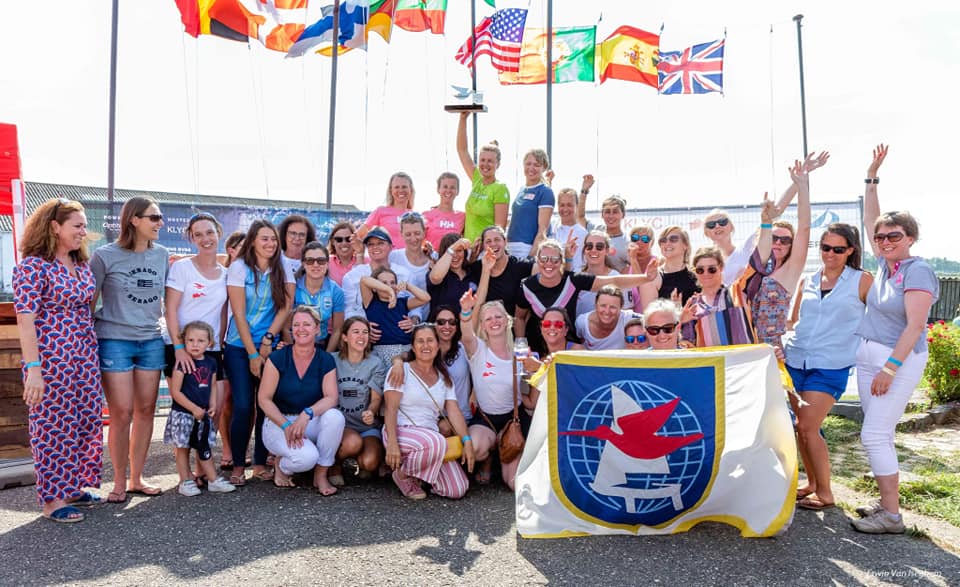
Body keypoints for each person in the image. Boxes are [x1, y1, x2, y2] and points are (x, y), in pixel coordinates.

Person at [851, 144, 939, 534]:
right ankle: (886, 504)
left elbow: (915, 326)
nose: (886, 240)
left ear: (911, 238)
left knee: (873, 434)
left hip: (895, 361)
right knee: (879, 432)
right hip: (870, 357)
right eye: (882, 237)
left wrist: (889, 368)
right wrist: (871, 178)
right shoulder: (888, 265)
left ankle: (892, 517)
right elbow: (872, 218)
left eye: (895, 236)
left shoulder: (917, 271)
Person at [13, 198, 103, 522]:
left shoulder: (80, 265)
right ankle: (53, 499)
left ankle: (73, 486)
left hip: (84, 355)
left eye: (84, 226)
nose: (83, 232)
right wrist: (33, 369)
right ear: (54, 227)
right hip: (51, 358)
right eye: (77, 226)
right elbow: (25, 319)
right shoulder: (33, 267)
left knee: (86, 419)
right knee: (53, 426)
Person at [784, 223, 872, 511]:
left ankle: (825, 493)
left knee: (808, 427)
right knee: (801, 428)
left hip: (831, 365)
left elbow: (880, 319)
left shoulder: (862, 281)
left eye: (838, 249)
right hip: (796, 361)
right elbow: (793, 320)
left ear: (851, 250)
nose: (830, 254)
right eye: (825, 248)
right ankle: (811, 484)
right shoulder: (808, 280)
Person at [91, 196, 169, 503]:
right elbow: (89, 301)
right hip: (114, 339)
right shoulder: (104, 255)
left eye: (160, 217)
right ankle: (119, 481)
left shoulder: (162, 254)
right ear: (134, 220)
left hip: (150, 339)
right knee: (121, 413)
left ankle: (137, 478)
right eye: (154, 217)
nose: (160, 222)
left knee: (146, 411)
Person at [223, 219, 295, 486]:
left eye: (273, 239)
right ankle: (238, 465)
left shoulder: (282, 265)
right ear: (252, 240)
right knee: (243, 405)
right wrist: (253, 354)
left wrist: (268, 340)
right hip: (239, 346)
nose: (270, 244)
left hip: (269, 346)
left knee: (266, 405)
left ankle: (260, 463)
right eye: (264, 238)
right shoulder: (239, 267)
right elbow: (239, 313)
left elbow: (286, 306)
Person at [703, 151, 829, 285]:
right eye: (711, 224)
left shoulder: (748, 247)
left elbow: (776, 212)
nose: (717, 226)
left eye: (722, 222)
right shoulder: (704, 261)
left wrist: (800, 177)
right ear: (706, 232)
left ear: (731, 227)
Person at [516, 240, 657, 356]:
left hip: (567, 349)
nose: (549, 263)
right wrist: (520, 343)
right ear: (537, 260)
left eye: (554, 259)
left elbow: (613, 281)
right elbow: (520, 317)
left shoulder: (573, 280)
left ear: (561, 262)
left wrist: (646, 278)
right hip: (537, 348)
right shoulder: (527, 286)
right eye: (544, 259)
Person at [258, 306, 345, 495]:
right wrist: (286, 425)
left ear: (317, 329)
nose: (301, 329)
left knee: (335, 417)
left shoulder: (325, 359)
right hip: (279, 422)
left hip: (308, 421)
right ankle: (282, 466)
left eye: (307, 324)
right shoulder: (277, 358)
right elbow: (264, 399)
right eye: (296, 325)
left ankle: (321, 475)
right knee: (306, 459)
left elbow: (331, 397)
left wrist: (307, 414)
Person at [383, 323, 475, 499]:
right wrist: (392, 443)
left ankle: (422, 475)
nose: (426, 345)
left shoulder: (444, 377)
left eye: (430, 340)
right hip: (401, 432)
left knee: (457, 489)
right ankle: (403, 475)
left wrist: (467, 441)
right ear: (413, 347)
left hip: (431, 441)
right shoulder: (401, 371)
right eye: (420, 341)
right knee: (437, 442)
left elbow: (454, 412)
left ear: (438, 345)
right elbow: (390, 409)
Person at [457, 290, 528, 488]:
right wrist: (466, 311)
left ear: (507, 321)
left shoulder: (520, 353)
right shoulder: (478, 349)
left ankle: (502, 449)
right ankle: (488, 458)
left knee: (513, 484)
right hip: (486, 419)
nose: (494, 321)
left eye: (498, 317)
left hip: (512, 421)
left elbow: (526, 392)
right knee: (476, 448)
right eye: (488, 319)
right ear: (482, 325)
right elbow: (466, 335)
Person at [742, 161, 813, 349]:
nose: (778, 243)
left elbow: (804, 227)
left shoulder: (791, 271)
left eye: (785, 240)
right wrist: (794, 184)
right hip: (743, 345)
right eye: (774, 238)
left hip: (771, 350)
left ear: (791, 245)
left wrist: (802, 185)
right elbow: (771, 217)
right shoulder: (755, 268)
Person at [163, 321, 236, 496]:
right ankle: (185, 481)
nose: (195, 344)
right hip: (183, 414)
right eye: (191, 340)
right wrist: (193, 408)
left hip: (202, 414)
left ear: (209, 343)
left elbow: (212, 385)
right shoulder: (181, 363)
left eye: (200, 341)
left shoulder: (211, 362)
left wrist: (212, 404)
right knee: (182, 448)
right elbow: (176, 392)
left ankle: (212, 479)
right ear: (184, 341)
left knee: (204, 446)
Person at [332, 317, 386, 484]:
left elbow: (376, 398)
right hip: (342, 426)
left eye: (365, 332)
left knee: (370, 463)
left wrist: (371, 411)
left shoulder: (375, 363)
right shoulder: (332, 360)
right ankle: (334, 464)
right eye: (356, 332)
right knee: (352, 443)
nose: (361, 336)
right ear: (345, 337)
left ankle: (360, 461)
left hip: (366, 426)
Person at [455, 111, 509, 242]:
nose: (485, 164)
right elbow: (462, 150)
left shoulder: (500, 188)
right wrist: (463, 118)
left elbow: (499, 229)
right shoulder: (477, 180)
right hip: (468, 247)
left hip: (485, 248)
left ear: (498, 164)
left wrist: (483, 245)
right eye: (482, 160)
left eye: (490, 161)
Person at [361, 268, 430, 365]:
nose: (389, 285)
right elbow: (364, 280)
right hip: (382, 352)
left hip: (406, 351)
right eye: (384, 283)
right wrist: (389, 290)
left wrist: (408, 286)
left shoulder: (402, 302)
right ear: (375, 288)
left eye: (392, 282)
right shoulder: (371, 302)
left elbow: (426, 298)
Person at [341, 226, 412, 319]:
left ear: (391, 247)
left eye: (380, 243)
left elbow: (415, 306)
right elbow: (349, 309)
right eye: (370, 244)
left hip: (397, 325)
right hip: (363, 326)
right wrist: (363, 323)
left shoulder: (405, 274)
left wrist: (413, 320)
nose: (375, 247)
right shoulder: (352, 276)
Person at [218, 230, 245, 471]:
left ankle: (242, 449)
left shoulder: (253, 276)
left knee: (246, 402)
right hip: (224, 343)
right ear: (231, 250)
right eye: (243, 248)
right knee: (226, 400)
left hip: (242, 343)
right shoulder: (222, 275)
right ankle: (227, 448)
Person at [465, 225, 535, 316]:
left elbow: (541, 269)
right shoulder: (476, 269)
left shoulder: (520, 266)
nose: (493, 244)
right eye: (488, 241)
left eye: (497, 239)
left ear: (505, 242)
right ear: (483, 246)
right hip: (486, 322)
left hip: (512, 322)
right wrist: (481, 265)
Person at [678, 247, 737, 346]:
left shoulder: (736, 295)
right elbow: (687, 344)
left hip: (739, 355)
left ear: (721, 267)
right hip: (707, 356)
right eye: (700, 270)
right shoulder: (692, 305)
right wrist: (680, 322)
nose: (706, 274)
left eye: (711, 269)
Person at [292, 241, 344, 352]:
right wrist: (291, 351)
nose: (315, 265)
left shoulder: (335, 291)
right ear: (303, 264)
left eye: (321, 261)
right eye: (310, 261)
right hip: (295, 344)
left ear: (327, 264)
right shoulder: (293, 287)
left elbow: (337, 330)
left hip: (322, 345)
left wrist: (327, 356)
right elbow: (285, 327)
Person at [576, 231, 640, 318]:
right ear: (584, 250)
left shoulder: (618, 278)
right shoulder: (575, 275)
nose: (593, 250)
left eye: (599, 247)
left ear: (607, 251)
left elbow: (627, 313)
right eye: (589, 246)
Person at [506, 148, 555, 257]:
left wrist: (530, 258)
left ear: (544, 168)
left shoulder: (545, 191)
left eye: (536, 165)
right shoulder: (522, 190)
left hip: (526, 249)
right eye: (528, 164)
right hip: (510, 249)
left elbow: (542, 231)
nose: (531, 168)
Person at [575, 180, 631, 273]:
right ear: (602, 214)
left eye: (615, 212)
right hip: (591, 280)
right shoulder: (596, 231)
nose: (611, 216)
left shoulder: (627, 242)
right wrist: (584, 191)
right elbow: (580, 217)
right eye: (607, 212)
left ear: (623, 214)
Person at [639, 226, 700, 310]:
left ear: (685, 245)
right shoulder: (653, 278)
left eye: (673, 239)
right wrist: (676, 311)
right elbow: (649, 315)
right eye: (663, 240)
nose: (667, 243)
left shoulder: (700, 273)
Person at [388, 211, 433, 320]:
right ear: (401, 234)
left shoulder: (434, 258)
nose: (413, 239)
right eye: (408, 234)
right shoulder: (392, 257)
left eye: (417, 233)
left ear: (424, 232)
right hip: (399, 319)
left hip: (428, 320)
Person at [356, 172, 416, 247]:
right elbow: (358, 235)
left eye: (404, 187)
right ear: (391, 190)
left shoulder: (415, 216)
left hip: (409, 255)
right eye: (396, 187)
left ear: (410, 189)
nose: (400, 190)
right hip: (387, 254)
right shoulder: (380, 211)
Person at [521, 307, 584, 374]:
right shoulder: (542, 359)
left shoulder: (577, 351)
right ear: (541, 329)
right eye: (547, 324)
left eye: (558, 324)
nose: (552, 327)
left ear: (566, 330)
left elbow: (575, 377)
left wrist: (540, 367)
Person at [575, 286, 638, 351]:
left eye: (613, 307)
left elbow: (644, 319)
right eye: (603, 306)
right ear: (596, 305)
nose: (607, 311)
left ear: (621, 307)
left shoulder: (628, 318)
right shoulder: (582, 323)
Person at [428, 233, 474, 314]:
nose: (455, 255)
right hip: (443, 322)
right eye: (451, 251)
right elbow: (436, 277)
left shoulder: (473, 272)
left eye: (459, 250)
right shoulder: (437, 272)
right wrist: (454, 246)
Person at [547, 188, 588, 272]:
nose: (565, 209)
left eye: (569, 205)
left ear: (577, 206)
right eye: (562, 205)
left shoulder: (582, 234)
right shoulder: (551, 226)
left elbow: (581, 266)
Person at [423, 172, 465, 249]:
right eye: (445, 187)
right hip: (432, 256)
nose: (448, 190)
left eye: (452, 187)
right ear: (438, 189)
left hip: (453, 256)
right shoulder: (426, 215)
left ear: (457, 191)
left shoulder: (462, 217)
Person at [326, 221, 359, 287]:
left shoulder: (366, 261)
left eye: (348, 239)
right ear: (332, 241)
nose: (344, 243)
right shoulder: (325, 262)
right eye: (339, 239)